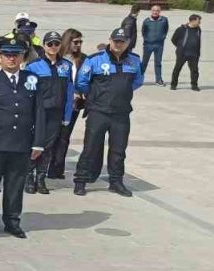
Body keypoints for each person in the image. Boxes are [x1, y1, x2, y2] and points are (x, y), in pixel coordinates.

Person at [0, 41, 45, 238]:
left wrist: (38, 141)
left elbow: (39, 112)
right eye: (7, 55)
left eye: (16, 55)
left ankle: (12, 221)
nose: (11, 59)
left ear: (22, 56)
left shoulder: (32, 79)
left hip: (21, 143)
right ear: (0, 56)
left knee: (15, 186)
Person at [73, 28, 144, 197]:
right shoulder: (95, 60)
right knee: (90, 147)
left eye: (122, 41)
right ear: (110, 41)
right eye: (116, 41)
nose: (118, 44)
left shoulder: (134, 61)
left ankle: (116, 181)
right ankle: (81, 180)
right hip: (99, 111)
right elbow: (81, 82)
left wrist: (122, 92)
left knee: (119, 150)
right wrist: (97, 95)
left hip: (121, 113)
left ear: (127, 43)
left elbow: (138, 81)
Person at [25, 32, 75, 195]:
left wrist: (67, 115)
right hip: (38, 112)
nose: (53, 47)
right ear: (44, 45)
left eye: (56, 44)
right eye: (50, 44)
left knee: (48, 147)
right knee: (33, 144)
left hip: (56, 112)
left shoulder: (66, 66)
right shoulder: (34, 66)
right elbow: (28, 93)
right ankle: (29, 177)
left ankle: (41, 178)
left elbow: (69, 91)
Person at [47, 29, 87, 180]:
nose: (78, 45)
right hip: (57, 102)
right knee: (52, 136)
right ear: (67, 41)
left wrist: (81, 92)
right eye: (75, 42)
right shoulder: (57, 58)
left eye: (80, 42)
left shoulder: (82, 59)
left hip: (74, 104)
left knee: (64, 136)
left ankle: (58, 168)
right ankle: (46, 166)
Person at [170, 14, 202, 91]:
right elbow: (173, 39)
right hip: (182, 54)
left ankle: (194, 85)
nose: (200, 22)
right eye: (198, 21)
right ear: (193, 20)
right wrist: (180, 47)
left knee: (194, 70)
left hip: (194, 54)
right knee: (177, 69)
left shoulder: (198, 29)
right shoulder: (181, 29)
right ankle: (173, 85)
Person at [141, 5, 169, 85]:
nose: (155, 12)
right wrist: (147, 39)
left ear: (159, 11)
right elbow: (143, 32)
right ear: (151, 11)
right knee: (144, 62)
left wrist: (162, 37)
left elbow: (165, 30)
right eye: (154, 10)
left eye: (157, 10)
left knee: (158, 62)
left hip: (159, 45)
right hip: (148, 45)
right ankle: (139, 78)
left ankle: (159, 79)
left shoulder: (164, 20)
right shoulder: (146, 21)